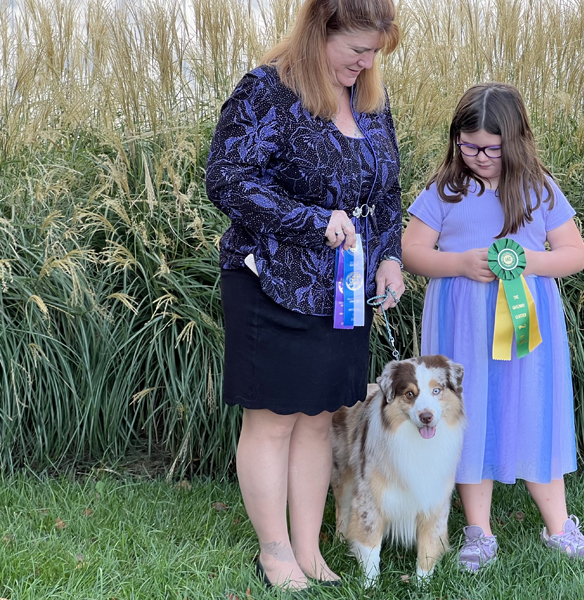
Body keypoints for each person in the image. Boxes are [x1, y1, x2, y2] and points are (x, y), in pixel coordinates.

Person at [205, 0, 404, 591]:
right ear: (322, 31)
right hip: (271, 280)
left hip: (342, 291)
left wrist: (389, 256)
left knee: (318, 420)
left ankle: (308, 550)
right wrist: (310, 219)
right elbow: (227, 177)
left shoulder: (370, 96)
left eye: (376, 52)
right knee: (272, 422)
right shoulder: (266, 90)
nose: (367, 63)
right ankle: (274, 553)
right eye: (357, 51)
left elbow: (388, 188)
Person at [402, 82, 584, 571]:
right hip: (462, 329)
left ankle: (560, 527)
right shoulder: (444, 190)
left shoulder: (539, 188)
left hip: (527, 331)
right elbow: (412, 252)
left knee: (533, 410)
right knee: (466, 415)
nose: (478, 156)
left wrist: (527, 262)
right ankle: (478, 531)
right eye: (468, 145)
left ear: (515, 141)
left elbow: (575, 255)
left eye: (491, 148)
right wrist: (459, 264)